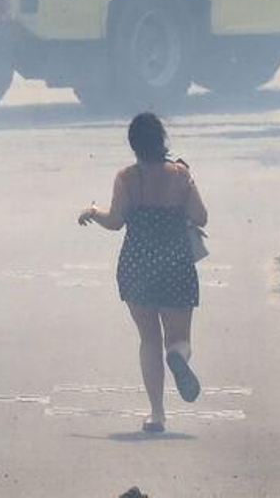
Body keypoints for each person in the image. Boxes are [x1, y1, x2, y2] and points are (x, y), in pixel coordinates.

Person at [78, 112, 208, 434]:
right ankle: (177, 357)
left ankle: (157, 415)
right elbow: (201, 217)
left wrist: (93, 211)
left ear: (134, 145)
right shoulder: (180, 175)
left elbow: (116, 222)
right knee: (178, 339)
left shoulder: (126, 178)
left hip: (138, 266)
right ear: (162, 139)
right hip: (176, 264)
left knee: (149, 339)